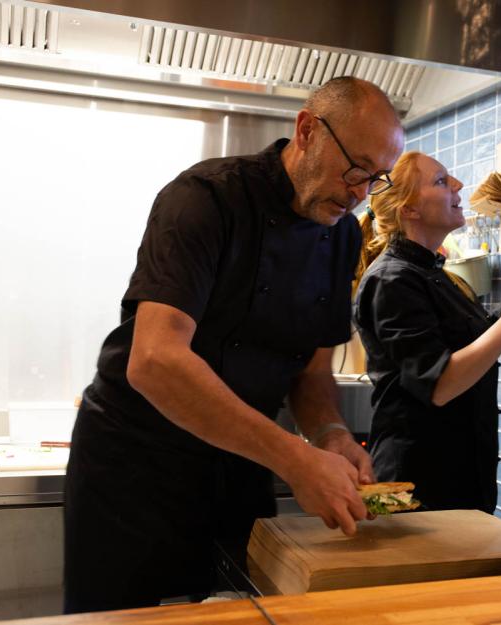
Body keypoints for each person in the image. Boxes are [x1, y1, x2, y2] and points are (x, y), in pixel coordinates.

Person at [64, 77, 404, 613]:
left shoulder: (343, 235)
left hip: (241, 461)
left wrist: (331, 434)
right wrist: (295, 457)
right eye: (357, 167)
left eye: (376, 179)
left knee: (242, 611)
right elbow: (154, 360)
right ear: (307, 129)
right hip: (136, 469)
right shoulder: (205, 199)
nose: (362, 192)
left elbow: (312, 373)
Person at [352, 152, 501, 513]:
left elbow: (482, 336)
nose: (458, 185)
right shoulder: (392, 280)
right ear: (410, 210)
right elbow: (440, 385)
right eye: (441, 181)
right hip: (418, 484)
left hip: (460, 476)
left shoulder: (432, 274)